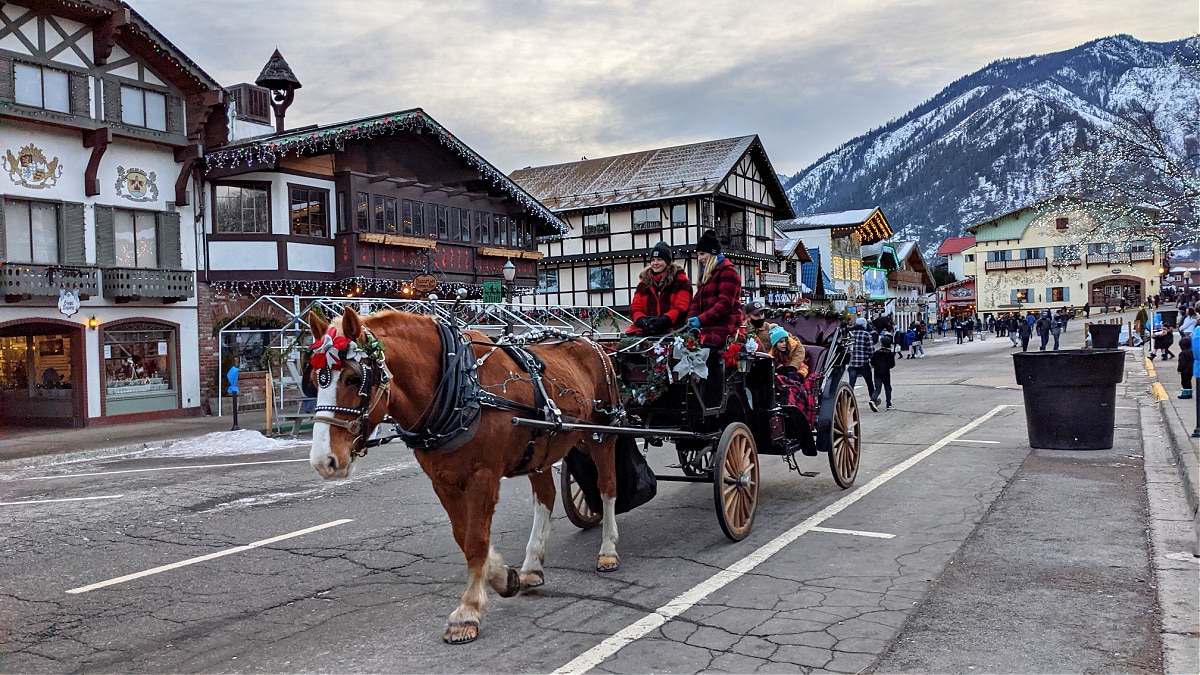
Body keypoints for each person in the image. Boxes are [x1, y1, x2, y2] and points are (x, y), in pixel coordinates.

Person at [686, 229, 742, 407]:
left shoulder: (728, 273)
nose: (700, 258)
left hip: (724, 328)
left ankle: (712, 402)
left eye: (702, 254)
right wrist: (691, 319)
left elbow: (724, 304)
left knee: (707, 353)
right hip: (706, 327)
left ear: (712, 253)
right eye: (698, 254)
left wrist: (700, 320)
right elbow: (695, 302)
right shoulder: (706, 277)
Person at [626, 241, 692, 336]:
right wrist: (643, 321)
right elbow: (636, 308)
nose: (655, 263)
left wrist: (664, 321)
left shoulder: (680, 280)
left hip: (673, 331)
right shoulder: (643, 283)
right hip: (646, 331)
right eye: (653, 260)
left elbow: (682, 307)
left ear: (667, 261)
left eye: (659, 259)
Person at [768, 325, 814, 426]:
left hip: (793, 379)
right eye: (781, 342)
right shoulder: (772, 357)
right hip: (778, 380)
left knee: (792, 389)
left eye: (785, 341)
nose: (784, 344)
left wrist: (799, 374)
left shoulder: (790, 355)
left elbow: (803, 367)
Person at [847, 317, 878, 412]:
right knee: (869, 383)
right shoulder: (866, 334)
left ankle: (847, 402)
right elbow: (871, 350)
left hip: (852, 363)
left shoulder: (850, 334)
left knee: (851, 384)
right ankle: (873, 400)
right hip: (864, 362)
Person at [870, 334, 897, 410]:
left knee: (877, 388)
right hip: (885, 372)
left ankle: (872, 399)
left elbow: (872, 362)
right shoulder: (889, 354)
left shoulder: (876, 353)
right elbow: (892, 364)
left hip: (877, 372)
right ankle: (889, 404)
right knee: (888, 388)